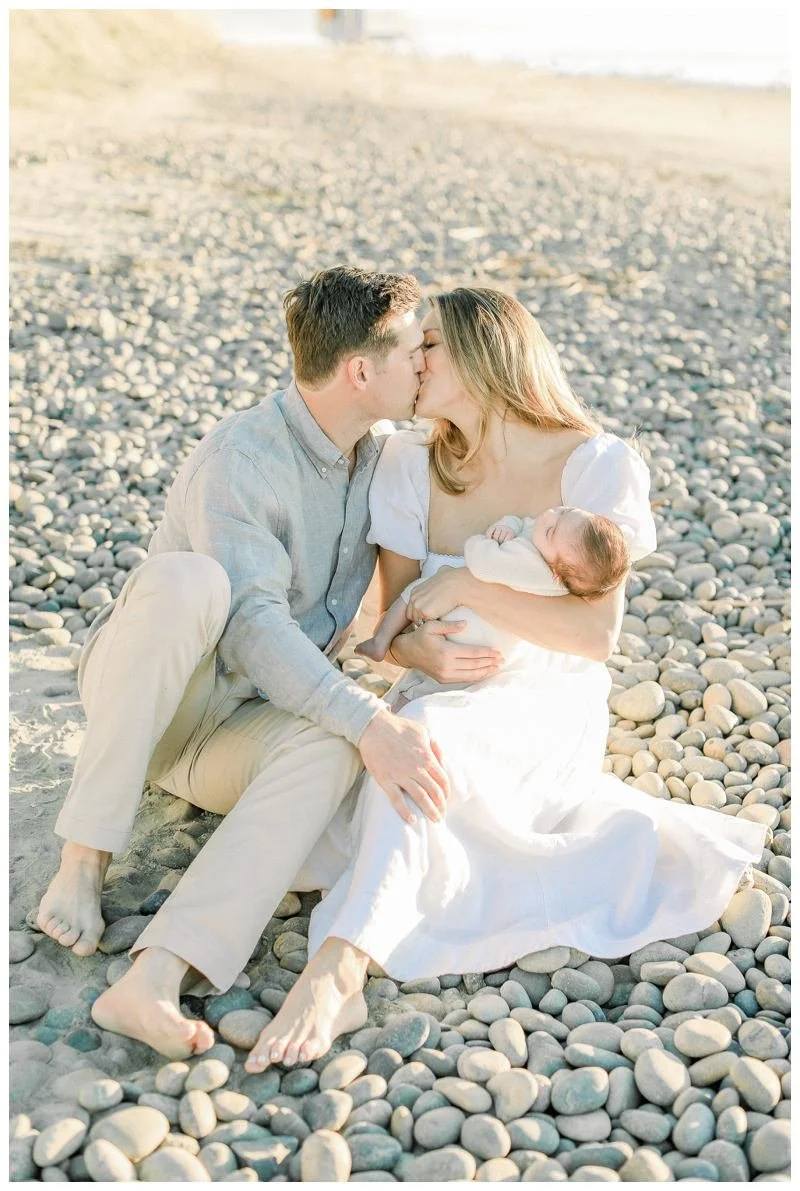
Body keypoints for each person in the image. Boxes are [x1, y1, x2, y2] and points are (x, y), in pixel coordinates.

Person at [239, 287, 767, 1073]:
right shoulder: (409, 463)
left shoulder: (595, 465)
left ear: (487, 356)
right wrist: (417, 655)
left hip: (544, 699)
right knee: (388, 751)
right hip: (436, 684)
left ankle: (340, 967)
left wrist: (471, 590)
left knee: (429, 746)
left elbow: (596, 636)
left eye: (430, 348)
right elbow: (383, 631)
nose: (412, 363)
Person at [36, 267, 504, 1060]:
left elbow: (335, 622)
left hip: (235, 730)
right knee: (192, 582)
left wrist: (400, 649)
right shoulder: (243, 454)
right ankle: (83, 859)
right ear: (361, 371)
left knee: (333, 744)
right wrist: (374, 718)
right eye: (411, 351)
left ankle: (157, 973)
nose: (425, 362)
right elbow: (254, 624)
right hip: (158, 699)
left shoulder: (380, 459)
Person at [357, 505, 630, 669]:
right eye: (564, 511)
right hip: (466, 626)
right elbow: (522, 523)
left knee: (414, 591)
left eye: (551, 530)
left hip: (467, 627)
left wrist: (482, 542)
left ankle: (381, 640)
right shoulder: (550, 549)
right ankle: (384, 642)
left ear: (557, 575)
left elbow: (480, 563)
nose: (548, 515)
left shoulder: (532, 566)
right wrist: (508, 527)